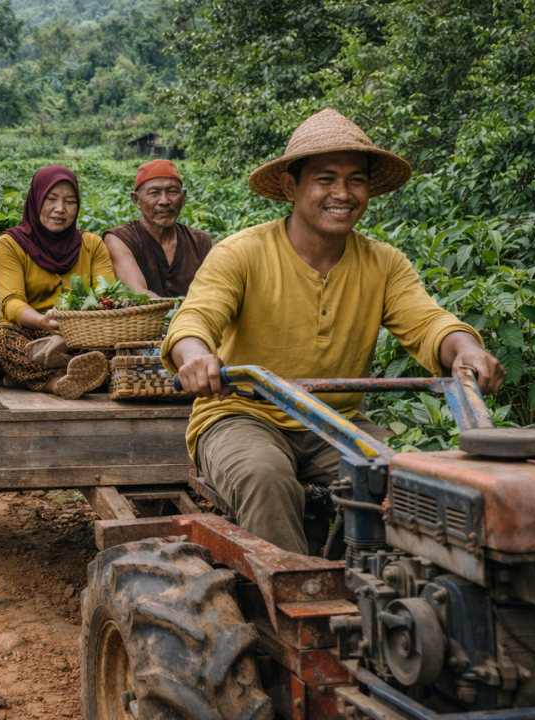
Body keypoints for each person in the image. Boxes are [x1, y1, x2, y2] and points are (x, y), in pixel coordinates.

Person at [161, 108, 505, 555]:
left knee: (410, 484)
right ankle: (292, 607)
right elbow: (196, 319)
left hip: (338, 425)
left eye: (355, 180)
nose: (342, 193)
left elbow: (428, 321)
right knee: (264, 476)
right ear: (291, 186)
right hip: (242, 417)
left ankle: (391, 595)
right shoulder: (241, 253)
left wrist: (467, 350)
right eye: (325, 179)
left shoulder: (384, 263)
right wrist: (196, 357)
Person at [0, 165, 114, 400]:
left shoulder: (92, 244)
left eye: (70, 201)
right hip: (31, 337)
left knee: (117, 346)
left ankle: (19, 378)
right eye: (52, 199)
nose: (60, 209)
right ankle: (58, 382)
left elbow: (106, 298)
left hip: (85, 335)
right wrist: (42, 321)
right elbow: (11, 302)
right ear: (36, 199)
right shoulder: (10, 244)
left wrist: (70, 334)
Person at [104, 159, 214, 299]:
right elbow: (137, 292)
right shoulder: (120, 239)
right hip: (145, 321)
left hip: (197, 320)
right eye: (154, 193)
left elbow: (217, 290)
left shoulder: (202, 242)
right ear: (136, 200)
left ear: (183, 197)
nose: (164, 201)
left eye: (172, 192)